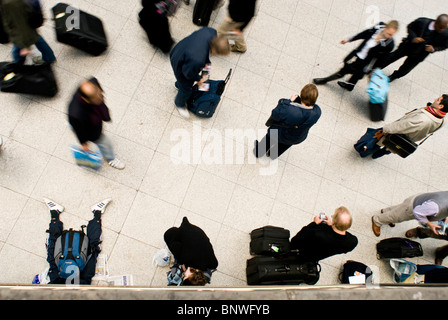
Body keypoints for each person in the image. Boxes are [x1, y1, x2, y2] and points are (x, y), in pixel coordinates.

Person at [313, 20, 399, 91]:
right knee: (352, 71)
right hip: (358, 53)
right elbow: (364, 34)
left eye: (392, 35)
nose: (389, 36)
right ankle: (350, 86)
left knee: (346, 71)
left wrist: (372, 71)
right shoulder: (379, 27)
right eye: (389, 33)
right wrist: (349, 39)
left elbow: (381, 59)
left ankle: (325, 80)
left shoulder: (389, 45)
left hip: (365, 62)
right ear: (386, 27)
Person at [43, 198, 109, 284]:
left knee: (93, 250)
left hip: (65, 284)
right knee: (93, 249)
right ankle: (55, 214)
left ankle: (97, 213)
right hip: (79, 283)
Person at [169, 27, 230, 118]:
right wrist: (199, 79)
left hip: (180, 48)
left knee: (186, 80)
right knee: (186, 89)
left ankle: (179, 84)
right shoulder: (197, 59)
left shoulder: (210, 31)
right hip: (180, 63)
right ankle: (179, 104)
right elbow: (187, 74)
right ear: (213, 51)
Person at [68, 77, 125, 170]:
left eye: (99, 92)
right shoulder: (77, 113)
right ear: (85, 99)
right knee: (105, 143)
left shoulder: (93, 81)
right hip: (91, 130)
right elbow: (81, 132)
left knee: (75, 124)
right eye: (95, 97)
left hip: (83, 121)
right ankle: (111, 158)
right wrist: (84, 144)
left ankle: (72, 125)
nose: (100, 97)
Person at [368, 94, 447, 159]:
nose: (435, 99)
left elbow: (402, 127)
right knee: (391, 148)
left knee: (381, 141)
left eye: (438, 100)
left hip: (400, 135)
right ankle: (377, 155)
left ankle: (367, 151)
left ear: (441, 106)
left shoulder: (422, 119)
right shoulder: (443, 120)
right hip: (410, 138)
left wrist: (385, 129)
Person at [254, 84, 321, 159]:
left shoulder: (290, 111)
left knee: (268, 141)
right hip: (296, 138)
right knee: (283, 146)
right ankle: (272, 154)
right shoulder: (317, 112)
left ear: (301, 95)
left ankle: (258, 152)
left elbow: (275, 113)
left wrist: (287, 101)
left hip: (279, 133)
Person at [377, 14, 448, 82]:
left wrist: (433, 48)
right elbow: (410, 27)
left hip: (419, 54)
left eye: (444, 27)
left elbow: (444, 46)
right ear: (436, 22)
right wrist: (414, 38)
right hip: (408, 46)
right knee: (391, 57)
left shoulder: (446, 34)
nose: (442, 30)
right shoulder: (422, 21)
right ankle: (377, 68)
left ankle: (394, 76)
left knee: (405, 68)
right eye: (440, 27)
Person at [290, 207, 358, 263]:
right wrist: (331, 225)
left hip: (300, 253)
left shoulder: (317, 232)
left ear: (334, 221)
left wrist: (314, 223)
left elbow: (295, 240)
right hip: (315, 258)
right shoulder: (352, 242)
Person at [164, 217, 218, 285]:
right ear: (190, 276)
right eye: (185, 277)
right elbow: (170, 239)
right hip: (184, 231)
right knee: (170, 239)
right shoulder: (183, 256)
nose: (183, 276)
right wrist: (182, 264)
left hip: (197, 232)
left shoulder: (213, 264)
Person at [0, 0, 56, 64]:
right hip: (27, 20)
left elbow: (22, 26)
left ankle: (17, 66)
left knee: (18, 50)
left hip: (24, 27)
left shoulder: (9, 4)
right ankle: (49, 58)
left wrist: (25, 46)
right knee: (36, 38)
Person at [372, 191, 448, 237]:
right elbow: (417, 212)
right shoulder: (435, 207)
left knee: (399, 208)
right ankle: (377, 221)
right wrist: (429, 224)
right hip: (413, 207)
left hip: (420, 199)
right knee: (397, 217)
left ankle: (385, 211)